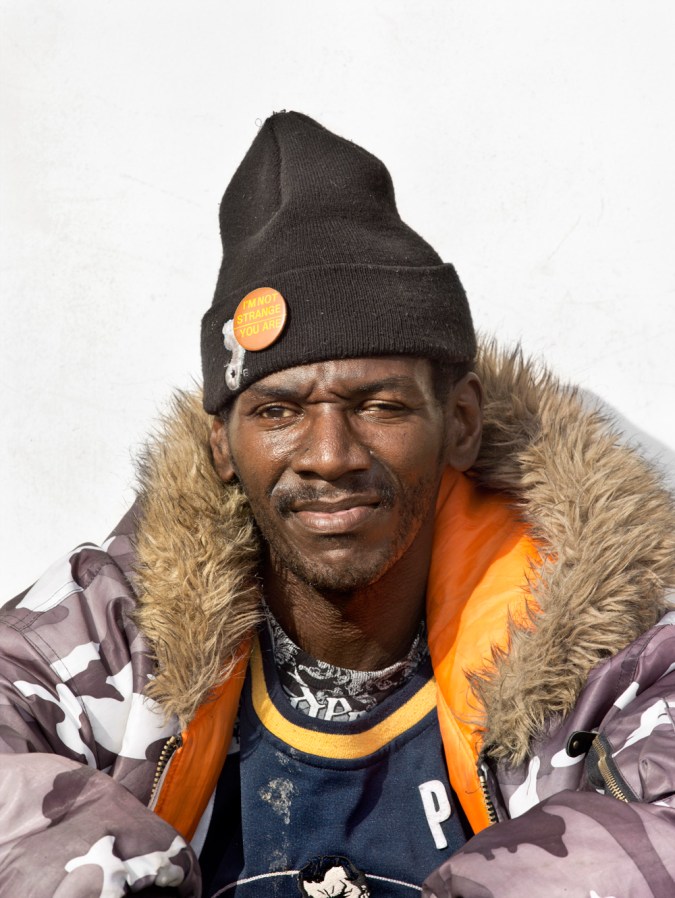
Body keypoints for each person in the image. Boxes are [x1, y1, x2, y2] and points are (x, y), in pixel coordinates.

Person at [1, 111, 674, 898]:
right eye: (279, 411)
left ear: (457, 423)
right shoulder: (112, 628)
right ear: (221, 444)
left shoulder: (607, 639)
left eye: (379, 405)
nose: (329, 455)